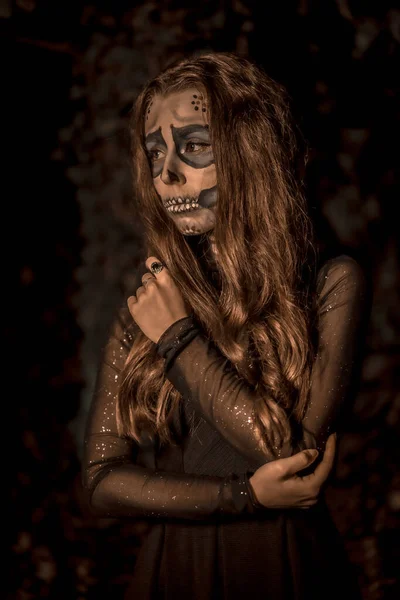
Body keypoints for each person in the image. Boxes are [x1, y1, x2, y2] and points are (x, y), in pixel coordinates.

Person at [82, 52, 368, 599]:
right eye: (154, 152)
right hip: (173, 573)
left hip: (286, 569)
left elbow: (290, 458)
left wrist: (179, 338)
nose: (166, 174)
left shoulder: (332, 284)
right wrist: (241, 496)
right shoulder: (150, 302)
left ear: (248, 153)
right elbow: (99, 480)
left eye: (192, 147)